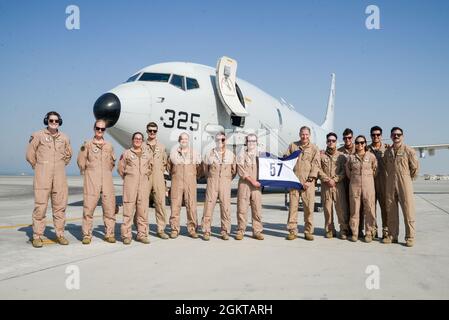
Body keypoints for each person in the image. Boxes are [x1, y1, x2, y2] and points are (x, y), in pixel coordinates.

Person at [26, 111, 72, 248]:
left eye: (56, 121)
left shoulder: (64, 137)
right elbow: (30, 154)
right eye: (51, 120)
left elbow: (68, 155)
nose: (54, 123)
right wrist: (39, 167)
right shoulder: (38, 135)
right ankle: (37, 236)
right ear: (47, 121)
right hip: (42, 176)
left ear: (60, 122)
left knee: (60, 207)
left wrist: (59, 165)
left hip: (59, 177)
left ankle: (60, 234)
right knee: (40, 206)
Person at [77, 120, 117, 244]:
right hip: (91, 179)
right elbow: (81, 161)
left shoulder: (109, 146)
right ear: (94, 128)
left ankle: (109, 234)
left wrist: (105, 173)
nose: (100, 131)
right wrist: (89, 173)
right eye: (98, 128)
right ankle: (87, 235)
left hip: (107, 179)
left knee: (109, 208)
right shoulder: (87, 145)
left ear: (105, 130)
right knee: (88, 208)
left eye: (102, 129)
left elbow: (111, 163)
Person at [382, 127, 419, 247]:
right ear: (391, 136)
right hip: (391, 182)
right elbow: (386, 167)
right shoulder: (387, 152)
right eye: (394, 135)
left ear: (402, 136)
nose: (396, 136)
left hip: (404, 182)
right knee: (391, 210)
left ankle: (410, 237)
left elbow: (415, 168)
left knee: (408, 210)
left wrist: (406, 178)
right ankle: (392, 235)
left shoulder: (409, 150)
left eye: (398, 134)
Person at [285, 126, 320, 241]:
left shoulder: (314, 148)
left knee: (309, 208)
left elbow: (316, 166)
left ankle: (308, 231)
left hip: (308, 184)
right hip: (294, 182)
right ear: (299, 134)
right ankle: (292, 230)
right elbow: (286, 159)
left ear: (309, 135)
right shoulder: (293, 146)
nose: (304, 136)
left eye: (306, 134)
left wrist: (309, 181)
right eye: (302, 134)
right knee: (293, 208)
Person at [201, 132, 236, 241]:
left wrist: (226, 179)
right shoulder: (209, 154)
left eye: (222, 139)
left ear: (225, 140)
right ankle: (206, 231)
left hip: (225, 183)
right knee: (208, 206)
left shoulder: (231, 155)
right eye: (217, 140)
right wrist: (211, 177)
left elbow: (233, 171)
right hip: (212, 182)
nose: (220, 142)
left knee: (225, 207)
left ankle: (225, 231)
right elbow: (205, 169)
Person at [118, 132, 151, 245]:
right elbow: (120, 169)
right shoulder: (126, 153)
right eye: (136, 138)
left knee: (142, 211)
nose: (138, 140)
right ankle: (126, 235)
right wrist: (130, 178)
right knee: (128, 211)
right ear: (132, 140)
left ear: (142, 141)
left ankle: (141, 234)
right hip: (130, 186)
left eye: (140, 139)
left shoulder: (147, 154)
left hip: (143, 186)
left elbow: (150, 168)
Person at [167, 133, 202, 239]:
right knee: (175, 206)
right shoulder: (173, 153)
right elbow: (169, 167)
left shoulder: (195, 153)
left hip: (190, 182)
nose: (184, 141)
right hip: (177, 182)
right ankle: (174, 229)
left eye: (186, 139)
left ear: (189, 141)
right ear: (179, 140)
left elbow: (199, 168)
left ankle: (192, 229)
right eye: (182, 139)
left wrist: (192, 176)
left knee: (191, 206)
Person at [345, 135, 377, 242]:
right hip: (355, 186)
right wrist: (356, 179)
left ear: (365, 144)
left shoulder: (371, 156)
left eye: (362, 143)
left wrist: (366, 179)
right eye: (357, 143)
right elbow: (348, 172)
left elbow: (375, 170)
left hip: (368, 187)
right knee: (354, 210)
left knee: (369, 209)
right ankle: (355, 233)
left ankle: (368, 233)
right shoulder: (351, 158)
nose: (360, 145)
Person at [318, 132, 349, 239]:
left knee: (341, 209)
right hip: (326, 186)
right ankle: (330, 230)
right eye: (329, 141)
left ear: (336, 142)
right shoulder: (321, 156)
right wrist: (327, 179)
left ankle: (343, 230)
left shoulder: (341, 156)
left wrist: (335, 180)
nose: (331, 142)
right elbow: (318, 169)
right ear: (326, 142)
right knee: (327, 209)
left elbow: (344, 171)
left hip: (338, 186)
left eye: (333, 141)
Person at [235, 134, 264, 240]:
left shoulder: (261, 156)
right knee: (242, 209)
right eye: (249, 141)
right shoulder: (241, 155)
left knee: (257, 209)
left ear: (256, 142)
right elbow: (241, 171)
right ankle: (240, 231)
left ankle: (257, 231)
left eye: (253, 141)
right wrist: (252, 181)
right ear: (246, 142)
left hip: (257, 187)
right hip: (245, 185)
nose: (251, 143)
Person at [144, 122, 169, 239]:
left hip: (158, 177)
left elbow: (164, 163)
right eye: (150, 130)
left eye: (154, 131)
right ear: (147, 131)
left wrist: (159, 172)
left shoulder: (162, 147)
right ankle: (142, 229)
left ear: (157, 132)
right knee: (142, 204)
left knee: (160, 203)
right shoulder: (142, 146)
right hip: (146, 177)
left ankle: (161, 229)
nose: (152, 133)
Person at [368, 126, 389, 239]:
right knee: (371, 208)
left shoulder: (387, 148)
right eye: (373, 135)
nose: (375, 137)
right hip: (370, 183)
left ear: (381, 136)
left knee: (385, 208)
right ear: (370, 136)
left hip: (383, 182)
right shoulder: (366, 149)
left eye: (378, 135)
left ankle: (386, 231)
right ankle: (373, 230)